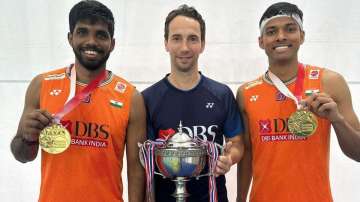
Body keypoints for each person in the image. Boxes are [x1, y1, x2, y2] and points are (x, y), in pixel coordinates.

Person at [10, 1, 146, 201]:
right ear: (70, 37)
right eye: (83, 32)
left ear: (112, 43)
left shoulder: (130, 97)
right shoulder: (42, 85)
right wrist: (28, 138)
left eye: (101, 34)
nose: (91, 41)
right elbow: (22, 155)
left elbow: (136, 171)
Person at [236, 2, 360, 202]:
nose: (281, 36)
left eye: (290, 29)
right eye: (272, 31)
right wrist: (240, 199)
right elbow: (247, 154)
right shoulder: (246, 93)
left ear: (302, 36)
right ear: (261, 41)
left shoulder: (329, 82)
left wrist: (337, 120)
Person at [142, 4, 245, 202]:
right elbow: (142, 160)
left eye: (192, 39)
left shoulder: (221, 94)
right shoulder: (147, 99)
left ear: (203, 44)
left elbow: (238, 143)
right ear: (166, 43)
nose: (184, 48)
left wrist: (229, 158)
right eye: (176, 38)